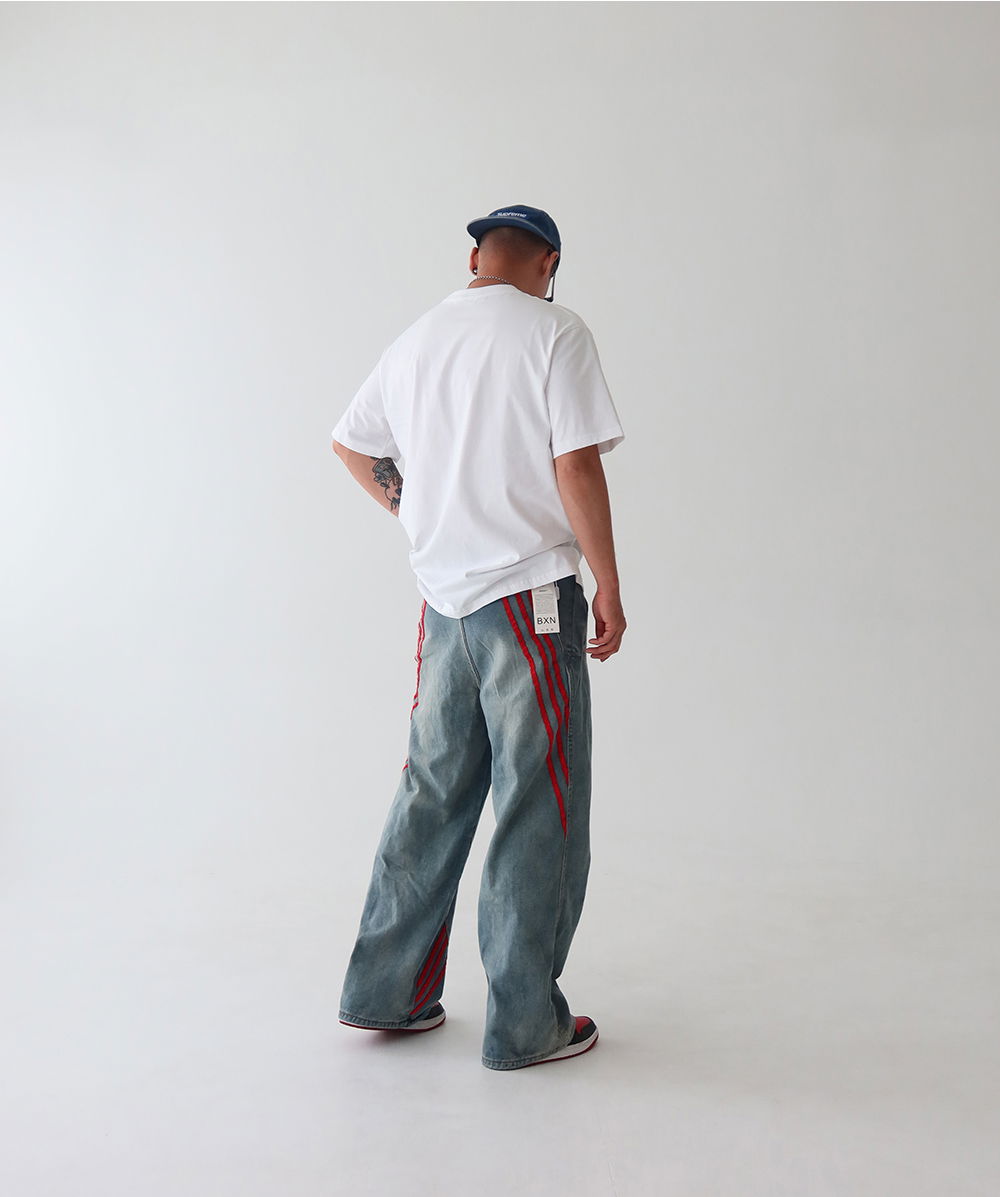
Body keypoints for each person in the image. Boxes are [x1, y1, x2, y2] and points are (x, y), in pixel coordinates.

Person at [329, 204, 626, 1070]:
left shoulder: (418, 339)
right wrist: (608, 580)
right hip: (530, 600)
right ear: (549, 263)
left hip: (442, 604)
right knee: (540, 801)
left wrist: (418, 510)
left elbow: (351, 445)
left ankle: (386, 992)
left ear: (473, 259)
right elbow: (575, 461)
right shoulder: (555, 331)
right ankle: (526, 1023)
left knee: (431, 792)